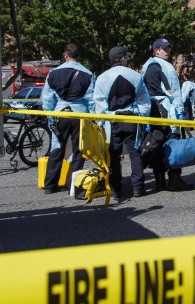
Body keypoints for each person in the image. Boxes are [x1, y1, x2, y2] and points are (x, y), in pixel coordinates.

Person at [93, 46, 151, 200]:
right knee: (135, 153)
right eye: (126, 57)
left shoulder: (102, 77)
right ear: (122, 58)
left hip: (112, 120)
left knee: (113, 155)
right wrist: (143, 117)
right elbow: (144, 100)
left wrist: (101, 122)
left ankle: (116, 188)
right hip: (132, 118)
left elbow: (99, 102)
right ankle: (138, 187)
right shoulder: (135, 76)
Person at [42, 43, 95, 194]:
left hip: (60, 114)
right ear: (79, 56)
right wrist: (94, 120)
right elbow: (91, 100)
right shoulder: (88, 74)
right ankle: (74, 184)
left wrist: (50, 115)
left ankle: (50, 185)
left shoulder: (53, 73)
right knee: (79, 150)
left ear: (65, 55)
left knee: (57, 148)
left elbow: (47, 99)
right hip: (80, 115)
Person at [140, 38, 191, 191]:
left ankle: (159, 179)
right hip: (165, 108)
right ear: (156, 50)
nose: (168, 51)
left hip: (152, 108)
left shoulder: (146, 66)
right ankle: (174, 179)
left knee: (156, 143)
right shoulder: (166, 67)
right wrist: (181, 110)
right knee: (172, 143)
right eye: (164, 49)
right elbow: (174, 91)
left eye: (168, 48)